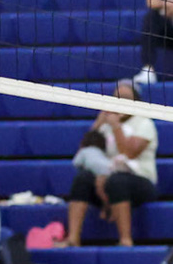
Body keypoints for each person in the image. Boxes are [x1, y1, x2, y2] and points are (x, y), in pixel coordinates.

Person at [65, 82, 158, 247]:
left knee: (117, 181)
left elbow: (128, 153)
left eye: (126, 98)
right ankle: (73, 239)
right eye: (116, 98)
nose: (120, 102)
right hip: (107, 178)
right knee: (83, 179)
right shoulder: (106, 124)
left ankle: (125, 240)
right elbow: (85, 152)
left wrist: (116, 126)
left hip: (140, 181)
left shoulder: (144, 123)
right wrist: (98, 124)